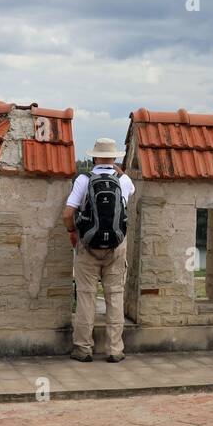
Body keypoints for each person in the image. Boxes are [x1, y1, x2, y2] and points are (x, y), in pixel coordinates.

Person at [63, 138, 136, 362]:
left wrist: (72, 233)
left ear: (94, 157)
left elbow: (67, 214)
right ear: (114, 158)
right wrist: (118, 170)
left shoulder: (84, 180)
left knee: (86, 297)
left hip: (88, 245)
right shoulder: (124, 181)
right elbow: (126, 196)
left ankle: (83, 348)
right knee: (115, 296)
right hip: (116, 245)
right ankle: (114, 349)